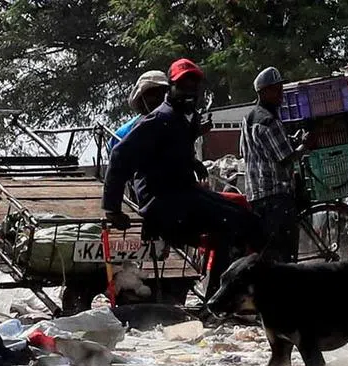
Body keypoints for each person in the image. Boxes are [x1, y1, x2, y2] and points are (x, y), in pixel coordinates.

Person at [102, 58, 264, 298]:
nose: (189, 93)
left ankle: (226, 293)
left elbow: (172, 154)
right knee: (238, 222)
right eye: (183, 87)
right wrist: (112, 209)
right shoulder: (159, 120)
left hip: (183, 194)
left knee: (244, 218)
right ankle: (221, 297)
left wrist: (194, 162)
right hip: (164, 202)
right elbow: (119, 155)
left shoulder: (183, 119)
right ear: (172, 88)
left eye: (194, 88)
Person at [240, 67, 305, 262]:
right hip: (276, 196)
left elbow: (248, 151)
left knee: (269, 254)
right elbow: (285, 158)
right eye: (276, 90)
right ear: (263, 92)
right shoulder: (269, 121)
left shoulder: (248, 119)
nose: (281, 95)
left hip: (255, 196)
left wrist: (292, 139)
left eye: (281, 89)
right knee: (285, 255)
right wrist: (305, 146)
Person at [108, 70, 167, 152]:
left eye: (163, 92)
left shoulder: (180, 124)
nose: (158, 98)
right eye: (152, 93)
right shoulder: (123, 134)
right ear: (141, 100)